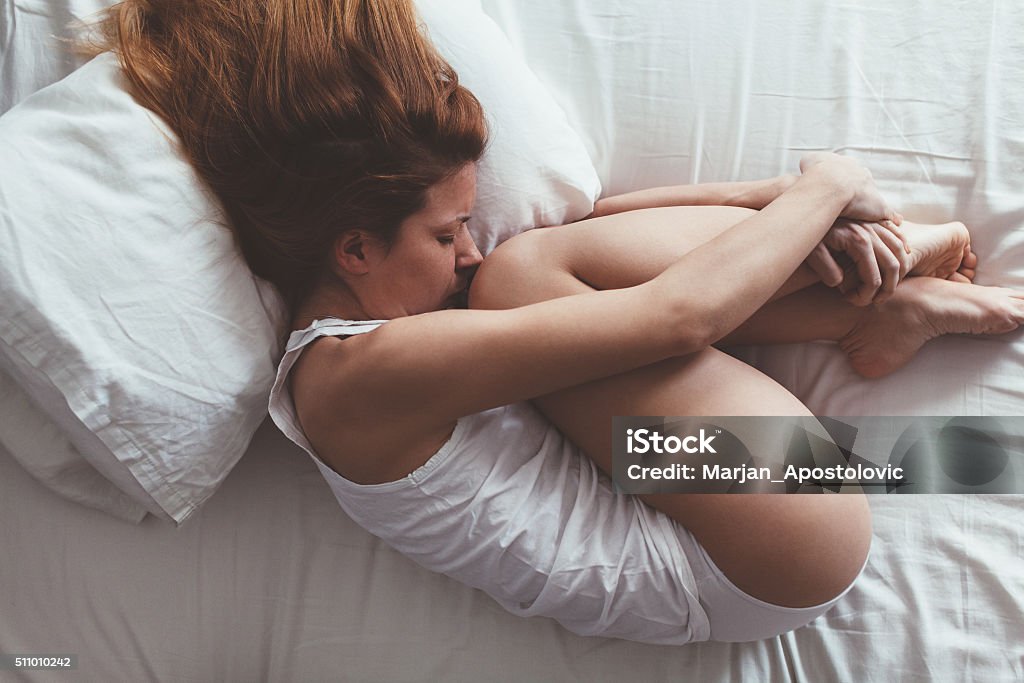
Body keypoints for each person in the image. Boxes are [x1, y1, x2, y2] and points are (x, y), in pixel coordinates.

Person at [99, 0, 1024, 644]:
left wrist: (776, 196)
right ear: (353, 250)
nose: (463, 250)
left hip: (727, 496)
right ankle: (877, 299)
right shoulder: (362, 379)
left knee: (529, 265)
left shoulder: (390, 321)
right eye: (446, 229)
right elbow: (676, 318)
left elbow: (598, 245)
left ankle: (882, 311)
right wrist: (829, 182)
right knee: (522, 273)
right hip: (767, 548)